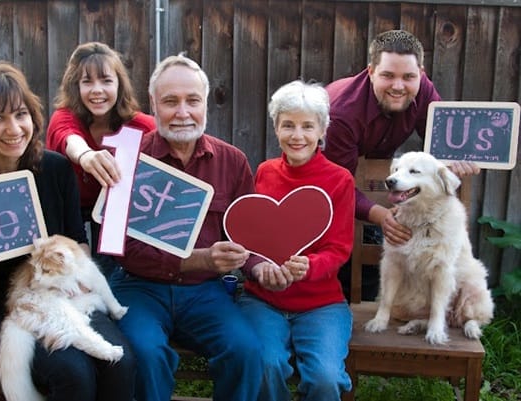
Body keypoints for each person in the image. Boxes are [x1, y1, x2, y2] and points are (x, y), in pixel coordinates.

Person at [0, 61, 136, 401]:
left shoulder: (56, 169)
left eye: (20, 114)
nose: (13, 128)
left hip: (62, 298)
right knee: (73, 373)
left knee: (119, 364)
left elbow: (78, 246)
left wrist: (74, 286)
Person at [108, 54, 264, 401]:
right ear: (153, 104)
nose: (182, 112)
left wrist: (259, 266)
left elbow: (247, 236)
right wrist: (196, 259)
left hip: (205, 293)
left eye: (192, 100)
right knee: (145, 355)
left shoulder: (233, 161)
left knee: (245, 351)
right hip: (139, 288)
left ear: (205, 104)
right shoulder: (128, 158)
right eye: (170, 102)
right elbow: (117, 247)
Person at [323, 29, 479, 300]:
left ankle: (382, 310)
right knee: (346, 254)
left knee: (382, 251)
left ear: (421, 72)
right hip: (324, 176)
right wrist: (380, 215)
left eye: (408, 76)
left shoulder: (424, 92)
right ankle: (348, 317)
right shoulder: (341, 114)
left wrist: (457, 162)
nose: (398, 86)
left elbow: (444, 146)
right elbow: (338, 185)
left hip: (379, 170)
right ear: (371, 71)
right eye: (387, 75)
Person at [238, 80, 354, 401]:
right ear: (276, 128)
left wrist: (310, 266)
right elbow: (249, 237)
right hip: (263, 300)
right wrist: (259, 266)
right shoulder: (263, 172)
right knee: (265, 364)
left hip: (321, 304)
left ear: (322, 131)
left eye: (307, 126)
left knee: (325, 378)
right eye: (288, 125)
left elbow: (340, 248)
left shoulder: (340, 180)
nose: (297, 135)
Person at [46, 41, 156, 276]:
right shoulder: (64, 116)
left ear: (119, 84)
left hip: (112, 212)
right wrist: (86, 156)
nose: (97, 90)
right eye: (87, 82)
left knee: (109, 267)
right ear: (76, 87)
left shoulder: (142, 126)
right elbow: (67, 137)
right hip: (67, 208)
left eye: (106, 81)